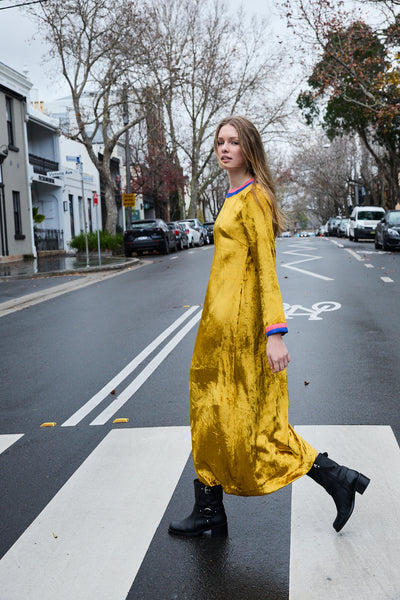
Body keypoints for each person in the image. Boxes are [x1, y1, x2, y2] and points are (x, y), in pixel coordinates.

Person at [168, 115, 370, 537]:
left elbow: (266, 271)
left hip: (242, 333)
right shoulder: (229, 194)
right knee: (208, 412)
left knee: (255, 425)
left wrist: (274, 333)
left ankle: (336, 477)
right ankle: (209, 508)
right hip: (214, 331)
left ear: (249, 149)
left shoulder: (254, 197)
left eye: (233, 142)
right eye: (219, 141)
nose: (224, 149)